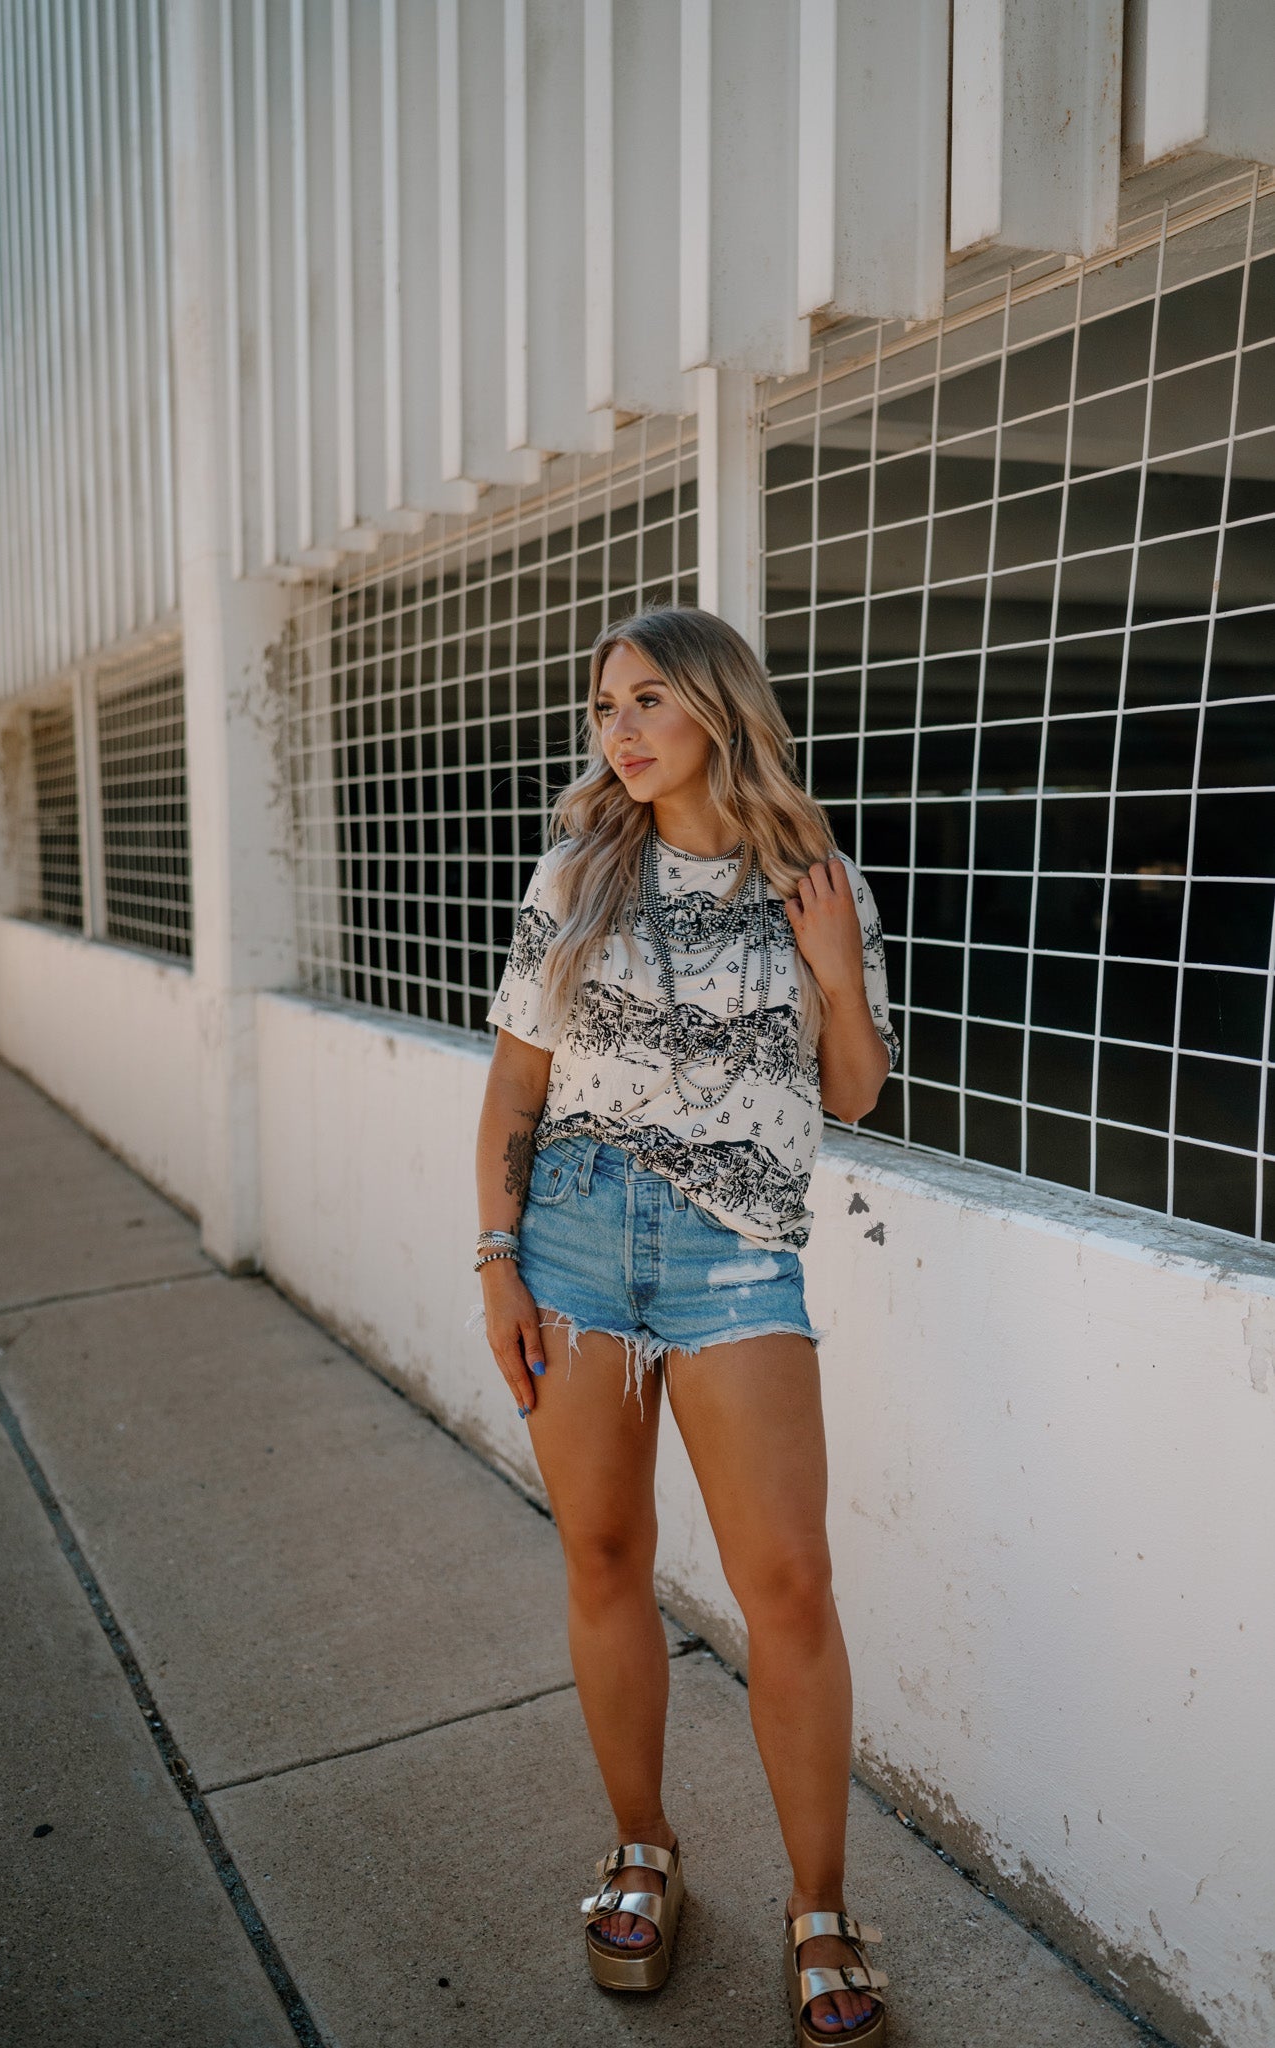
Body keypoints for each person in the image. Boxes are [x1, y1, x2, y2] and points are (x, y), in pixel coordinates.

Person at [472, 603, 898, 2044]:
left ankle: (820, 1908)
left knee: (786, 1586)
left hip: (736, 1259)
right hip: (574, 1243)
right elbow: (513, 1096)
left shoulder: (814, 878)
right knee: (603, 1553)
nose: (622, 732)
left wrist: (835, 968)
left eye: (649, 700)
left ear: (720, 709)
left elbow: (852, 1093)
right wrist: (496, 1264)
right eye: (606, 708)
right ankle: (642, 1843)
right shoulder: (576, 872)